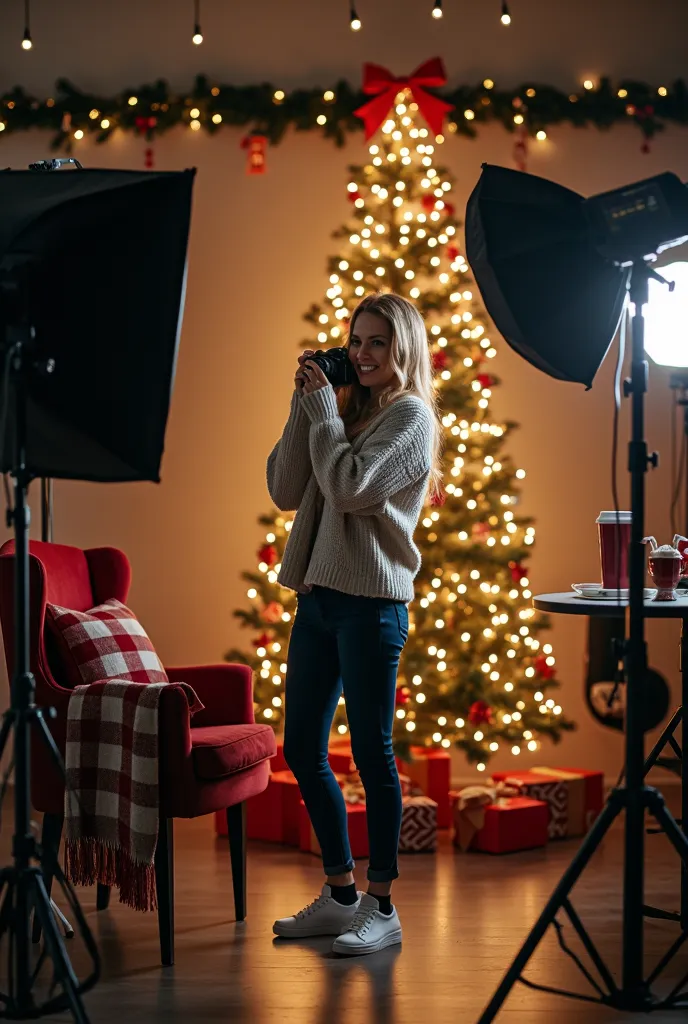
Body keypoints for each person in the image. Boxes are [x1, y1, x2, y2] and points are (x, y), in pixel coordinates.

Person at [267, 293, 441, 955]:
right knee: (303, 749)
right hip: (316, 601)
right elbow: (286, 489)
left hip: (371, 608)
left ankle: (383, 905)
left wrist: (323, 415)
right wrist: (305, 405)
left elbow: (350, 488)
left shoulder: (410, 418)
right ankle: (340, 895)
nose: (362, 354)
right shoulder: (342, 408)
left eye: (377, 343)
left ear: (403, 350)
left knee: (372, 754)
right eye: (356, 340)